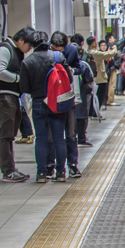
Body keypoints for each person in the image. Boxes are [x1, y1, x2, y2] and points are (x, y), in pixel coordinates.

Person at [20, 30, 68, 183]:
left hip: (39, 102)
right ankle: (60, 172)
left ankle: (41, 174)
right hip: (57, 102)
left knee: (40, 139)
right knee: (59, 138)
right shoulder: (58, 57)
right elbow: (68, 81)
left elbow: (25, 88)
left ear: (32, 44)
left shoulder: (27, 62)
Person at [0, 27, 34, 183]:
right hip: (3, 96)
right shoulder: (5, 49)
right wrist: (18, 78)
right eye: (29, 45)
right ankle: (8, 171)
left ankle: (11, 169)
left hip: (12, 96)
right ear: (20, 40)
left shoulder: (15, 51)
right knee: (6, 136)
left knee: (10, 135)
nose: (30, 49)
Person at [49, 32, 83, 177]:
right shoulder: (46, 54)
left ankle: (73, 164)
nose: (59, 53)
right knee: (52, 135)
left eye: (61, 50)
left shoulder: (72, 51)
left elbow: (80, 68)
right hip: (52, 97)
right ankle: (52, 165)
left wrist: (72, 71)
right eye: (56, 49)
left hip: (68, 95)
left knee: (70, 133)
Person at [91, 39, 114, 111]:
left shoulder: (100, 54)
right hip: (99, 77)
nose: (103, 47)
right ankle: (97, 110)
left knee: (104, 91)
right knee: (99, 94)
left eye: (105, 45)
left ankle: (103, 104)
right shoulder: (97, 54)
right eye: (102, 45)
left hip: (105, 75)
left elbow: (111, 64)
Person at [105, 34, 121, 106]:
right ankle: (110, 100)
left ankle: (109, 100)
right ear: (109, 39)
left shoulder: (107, 47)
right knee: (111, 85)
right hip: (111, 69)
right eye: (112, 38)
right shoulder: (111, 47)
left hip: (109, 68)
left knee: (110, 85)